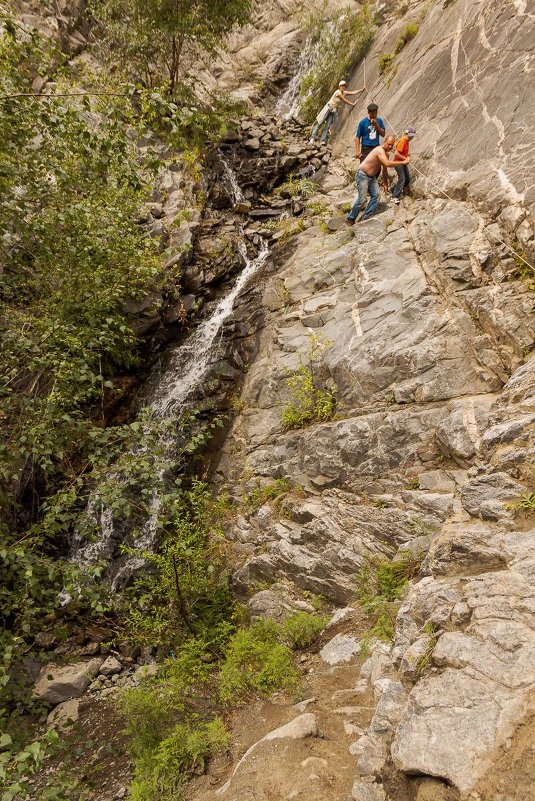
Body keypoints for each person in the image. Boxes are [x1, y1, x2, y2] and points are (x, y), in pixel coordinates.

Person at [346, 135, 410, 224]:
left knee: (376, 196)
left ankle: (365, 218)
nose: (390, 147)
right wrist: (403, 162)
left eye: (392, 145)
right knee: (362, 199)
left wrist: (385, 184)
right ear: (384, 141)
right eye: (389, 144)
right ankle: (350, 219)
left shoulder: (386, 154)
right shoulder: (379, 150)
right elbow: (387, 163)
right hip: (362, 174)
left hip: (371, 177)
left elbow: (384, 169)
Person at [310, 80, 365, 144]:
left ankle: (322, 140)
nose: (344, 87)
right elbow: (344, 100)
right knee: (320, 123)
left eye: (345, 86)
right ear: (340, 86)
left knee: (328, 126)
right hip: (327, 108)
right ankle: (312, 138)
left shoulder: (344, 92)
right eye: (343, 86)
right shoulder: (337, 92)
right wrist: (353, 104)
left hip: (332, 111)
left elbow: (353, 92)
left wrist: (361, 90)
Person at [355, 103, 386, 174]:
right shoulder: (363, 122)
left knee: (377, 169)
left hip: (376, 147)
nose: (374, 115)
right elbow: (358, 137)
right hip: (366, 148)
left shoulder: (379, 121)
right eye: (373, 113)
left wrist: (376, 125)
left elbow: (383, 134)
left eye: (376, 113)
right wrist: (357, 150)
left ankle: (372, 183)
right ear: (369, 112)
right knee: (364, 169)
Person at [391, 126, 416, 203]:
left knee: (407, 179)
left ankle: (393, 189)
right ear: (406, 133)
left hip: (403, 162)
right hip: (398, 162)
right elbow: (396, 154)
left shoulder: (407, 141)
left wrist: (407, 155)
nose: (411, 138)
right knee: (402, 179)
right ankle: (394, 197)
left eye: (412, 136)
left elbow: (403, 152)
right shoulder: (403, 141)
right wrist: (405, 159)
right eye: (410, 136)